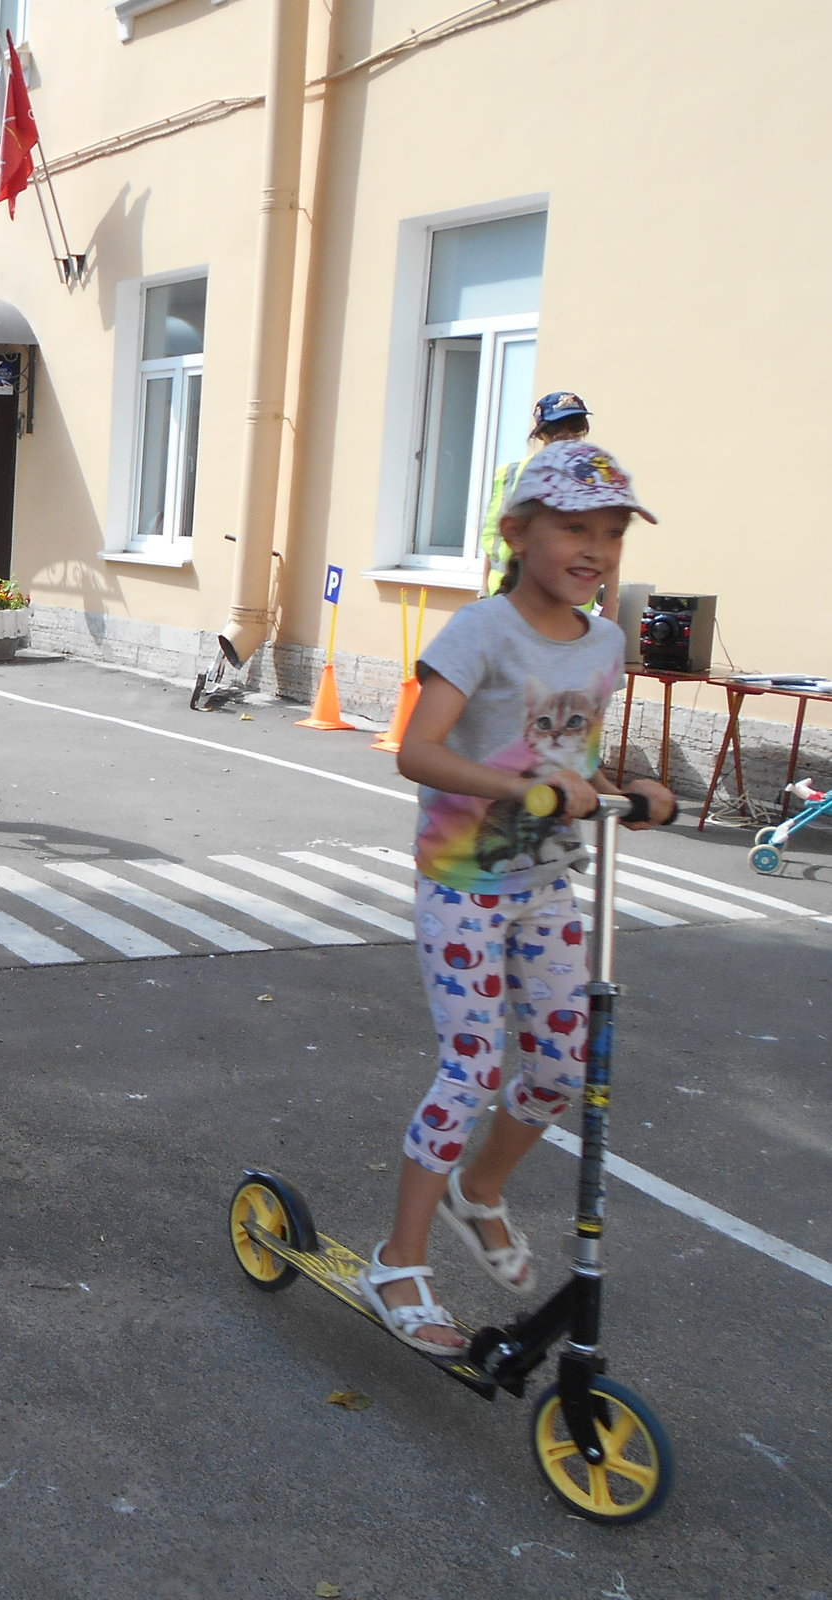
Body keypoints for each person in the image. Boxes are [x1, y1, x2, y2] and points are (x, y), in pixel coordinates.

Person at [363, 441, 676, 1354]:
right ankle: (396, 1259)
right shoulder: (479, 631)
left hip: (544, 883)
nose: (595, 548)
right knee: (471, 1071)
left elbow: (567, 756)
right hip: (463, 882)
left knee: (560, 1069)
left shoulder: (606, 639)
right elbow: (418, 752)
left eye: (610, 532)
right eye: (573, 528)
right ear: (517, 532)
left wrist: (627, 788)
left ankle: (480, 1192)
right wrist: (527, 790)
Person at [479, 393, 591, 597]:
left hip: (568, 604)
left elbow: (605, 540)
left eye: (575, 428)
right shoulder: (508, 474)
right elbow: (493, 538)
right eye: (557, 429)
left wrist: (610, 606)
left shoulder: (592, 478)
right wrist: (483, 592)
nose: (568, 436)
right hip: (506, 597)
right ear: (541, 434)